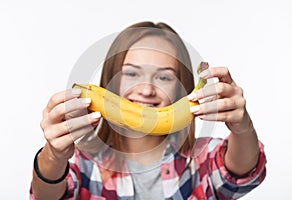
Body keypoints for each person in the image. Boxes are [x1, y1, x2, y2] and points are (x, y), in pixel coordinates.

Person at [30, 21, 266, 200]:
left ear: (180, 89)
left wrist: (243, 128)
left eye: (164, 77)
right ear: (111, 83)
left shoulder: (201, 157)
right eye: (131, 73)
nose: (146, 89)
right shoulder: (81, 162)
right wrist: (54, 155)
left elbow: (241, 172)